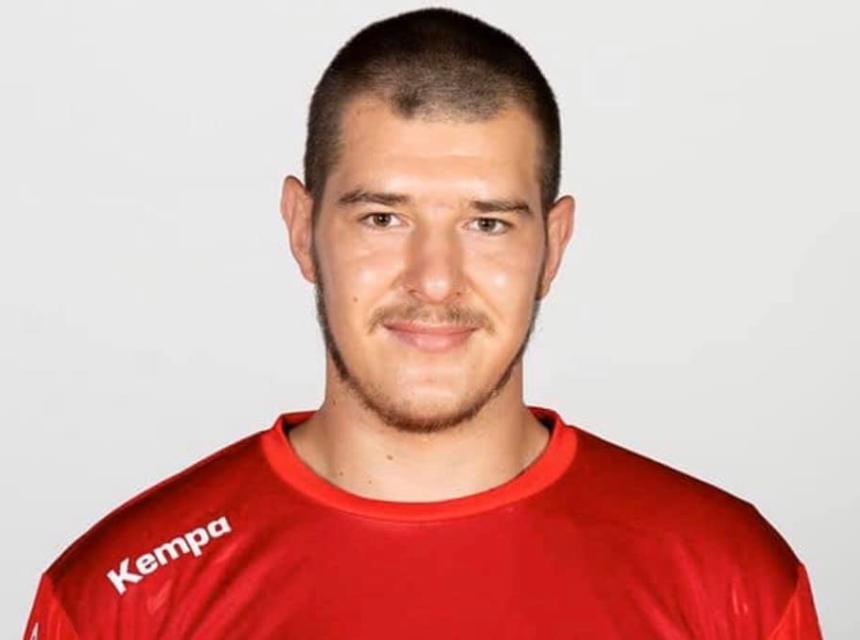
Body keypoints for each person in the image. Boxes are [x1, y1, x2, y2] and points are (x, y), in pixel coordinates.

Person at [23, 7, 822, 639]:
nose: (434, 280)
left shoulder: (731, 580)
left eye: (488, 224)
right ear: (302, 229)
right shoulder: (120, 598)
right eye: (383, 218)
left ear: (554, 245)